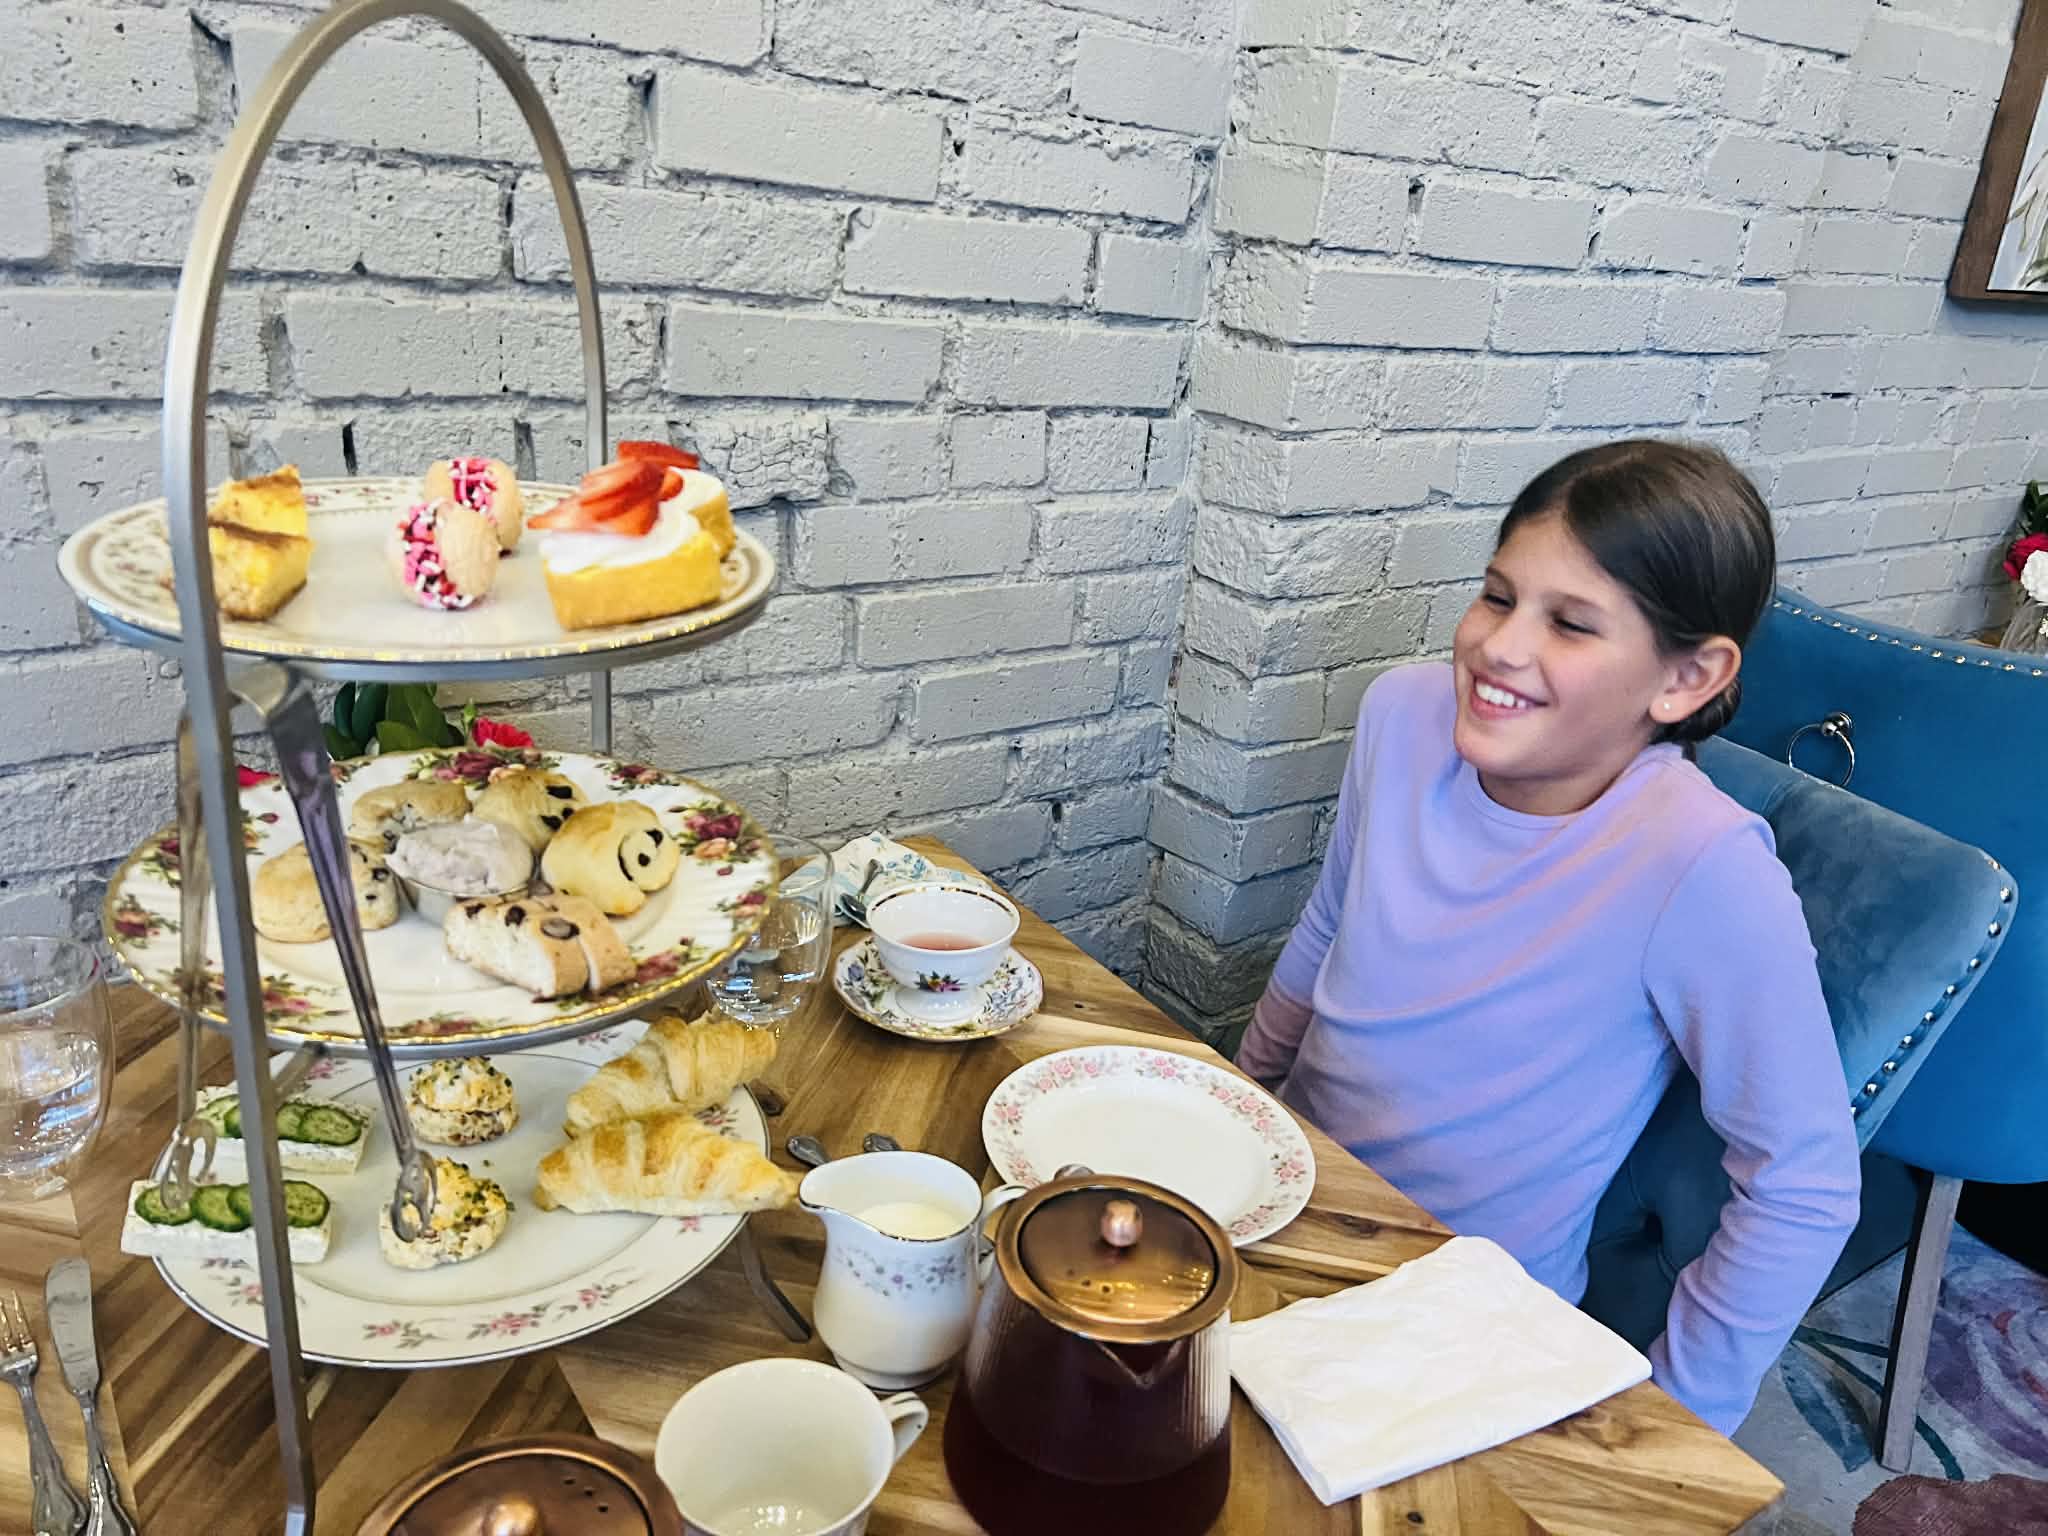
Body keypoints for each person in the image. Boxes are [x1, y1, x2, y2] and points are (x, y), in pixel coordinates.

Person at [1238, 439, 1861, 1434]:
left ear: (1686, 676)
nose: (1498, 647)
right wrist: (1242, 1100)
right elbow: (1329, 923)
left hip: (1457, 1314)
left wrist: (1675, 1417)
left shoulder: (1700, 864)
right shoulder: (1401, 715)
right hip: (1286, 1201)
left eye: (1569, 623)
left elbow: (1805, 1182)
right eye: (1495, 595)